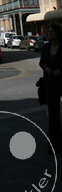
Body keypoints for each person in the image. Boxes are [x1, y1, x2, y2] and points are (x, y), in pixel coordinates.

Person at [39, 23, 62, 154]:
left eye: (52, 31)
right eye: (49, 31)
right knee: (53, 115)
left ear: (58, 33)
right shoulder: (47, 47)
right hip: (50, 83)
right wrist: (45, 67)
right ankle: (54, 144)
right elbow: (42, 61)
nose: (50, 33)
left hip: (61, 80)